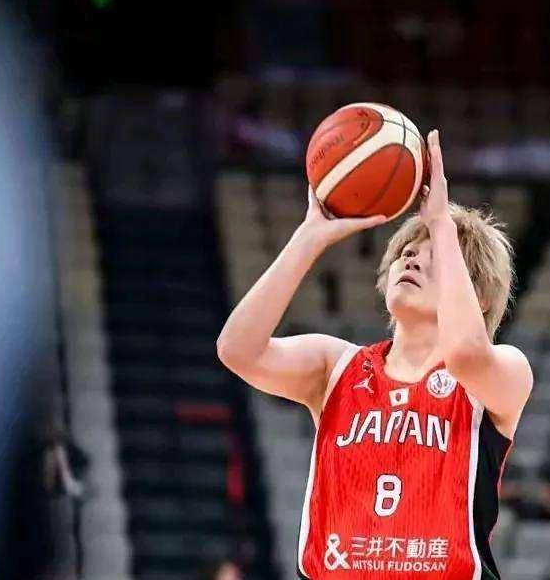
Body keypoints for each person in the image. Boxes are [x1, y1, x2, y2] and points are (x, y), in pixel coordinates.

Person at [217, 131, 533, 578]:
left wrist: (442, 224)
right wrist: (310, 235)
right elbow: (237, 350)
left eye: (434, 256)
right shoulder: (335, 366)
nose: (412, 259)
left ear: (478, 295)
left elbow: (465, 352)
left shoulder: (505, 371)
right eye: (408, 251)